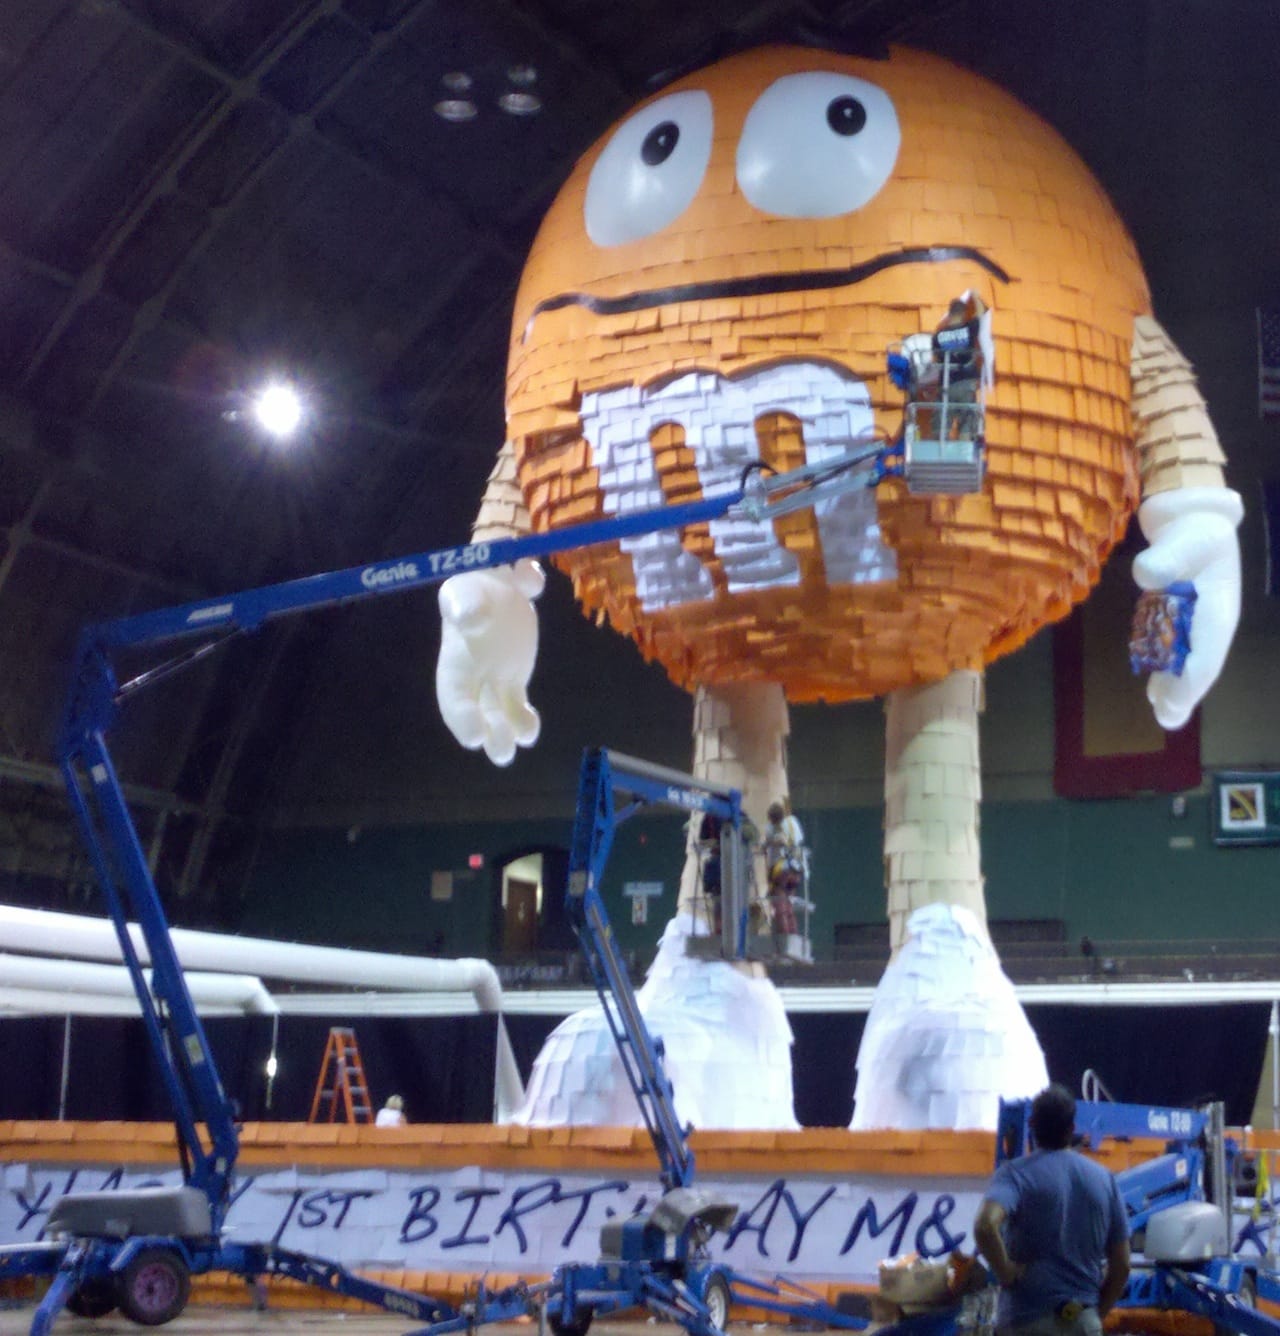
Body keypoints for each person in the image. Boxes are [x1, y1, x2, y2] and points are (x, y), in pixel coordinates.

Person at [974, 1084, 1130, 1336]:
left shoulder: (1015, 1174)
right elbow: (1122, 1265)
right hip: (1083, 1320)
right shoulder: (1105, 1179)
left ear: (1032, 1125)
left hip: (1026, 1322)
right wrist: (1095, 1314)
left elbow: (984, 1225)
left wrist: (1007, 1272)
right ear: (1071, 1128)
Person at [762, 801, 803, 937]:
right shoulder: (793, 824)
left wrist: (766, 845)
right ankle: (793, 934)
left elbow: (778, 841)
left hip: (781, 871)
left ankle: (785, 935)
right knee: (789, 904)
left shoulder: (774, 828)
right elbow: (797, 841)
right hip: (795, 870)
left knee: (780, 905)